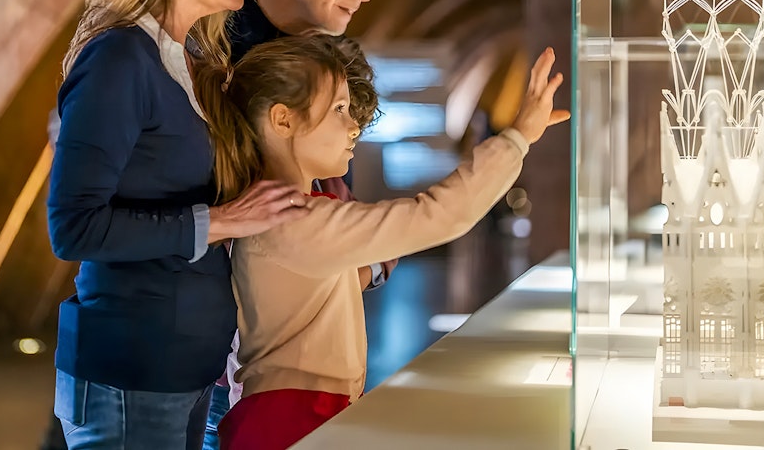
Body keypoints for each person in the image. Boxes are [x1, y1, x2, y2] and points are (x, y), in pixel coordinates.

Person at [46, 0, 310, 450]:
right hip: (130, 373)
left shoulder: (187, 62)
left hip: (184, 370)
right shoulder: (118, 59)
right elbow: (74, 228)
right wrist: (222, 221)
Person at [193, 34, 568, 450]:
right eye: (338, 109)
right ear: (283, 120)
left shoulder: (289, 213)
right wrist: (517, 138)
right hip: (292, 422)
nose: (354, 124)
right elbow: (438, 214)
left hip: (294, 415)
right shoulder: (294, 218)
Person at [202, 0, 389, 449]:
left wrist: (364, 263)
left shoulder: (332, 58)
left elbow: (334, 194)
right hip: (230, 354)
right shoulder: (212, 47)